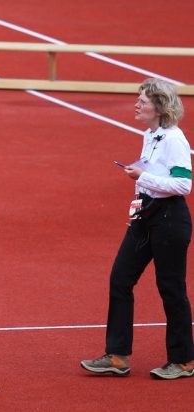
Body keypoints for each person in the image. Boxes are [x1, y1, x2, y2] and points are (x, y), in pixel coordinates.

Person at [81, 78, 194, 380]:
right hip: (146, 214)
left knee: (170, 289)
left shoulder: (174, 140)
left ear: (159, 106)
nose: (137, 104)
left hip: (170, 219)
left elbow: (184, 184)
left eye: (142, 101)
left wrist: (142, 177)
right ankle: (117, 356)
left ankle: (182, 360)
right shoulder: (150, 134)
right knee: (120, 278)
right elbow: (147, 174)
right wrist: (137, 206)